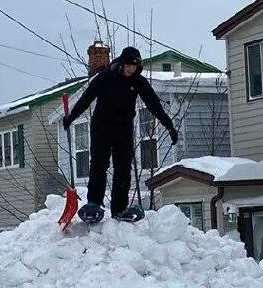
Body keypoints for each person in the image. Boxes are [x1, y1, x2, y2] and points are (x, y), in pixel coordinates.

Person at [63, 46, 178, 223]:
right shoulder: (105, 77)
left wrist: (169, 127)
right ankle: (94, 204)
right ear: (122, 64)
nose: (130, 69)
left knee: (123, 167)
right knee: (99, 164)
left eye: (134, 67)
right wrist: (71, 117)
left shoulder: (138, 82)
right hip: (102, 127)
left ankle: (119, 208)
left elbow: (154, 105)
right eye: (128, 66)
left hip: (124, 129)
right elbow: (86, 98)